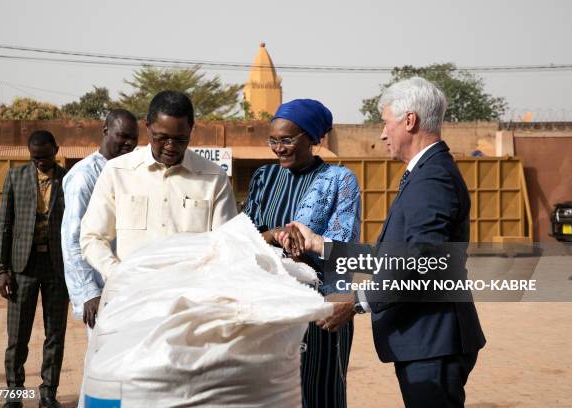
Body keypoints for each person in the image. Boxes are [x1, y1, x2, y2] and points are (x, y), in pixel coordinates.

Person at [282, 78, 486, 408]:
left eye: (385, 122)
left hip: (433, 340)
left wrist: (356, 301)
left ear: (410, 121)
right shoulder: (425, 173)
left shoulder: (432, 178)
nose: (382, 133)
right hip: (427, 341)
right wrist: (322, 245)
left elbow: (419, 263)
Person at [244, 99, 361, 408]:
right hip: (270, 307)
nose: (279, 148)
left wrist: (305, 250)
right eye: (273, 140)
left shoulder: (340, 181)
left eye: (287, 139)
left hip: (320, 308)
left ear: (312, 138)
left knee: (320, 391)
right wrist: (277, 235)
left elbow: (343, 249)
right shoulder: (263, 179)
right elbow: (244, 238)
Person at [80, 90, 237, 283]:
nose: (170, 146)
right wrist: (117, 274)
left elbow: (226, 244)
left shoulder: (214, 178)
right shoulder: (117, 172)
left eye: (180, 139)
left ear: (191, 129)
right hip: (129, 294)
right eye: (161, 138)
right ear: (147, 127)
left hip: (190, 297)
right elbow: (92, 237)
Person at [0, 130, 69, 408]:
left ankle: (48, 394)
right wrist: (2, 269)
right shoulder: (16, 177)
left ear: (56, 150)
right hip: (21, 268)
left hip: (56, 268)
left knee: (55, 335)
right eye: (35, 157)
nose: (40, 162)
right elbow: (4, 225)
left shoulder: (68, 179)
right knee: (17, 337)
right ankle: (14, 395)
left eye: (46, 156)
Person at [62, 109, 139, 333]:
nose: (129, 143)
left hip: (130, 289)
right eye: (122, 136)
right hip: (101, 293)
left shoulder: (131, 171)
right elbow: (73, 240)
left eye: (134, 138)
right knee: (104, 363)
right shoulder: (84, 177)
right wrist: (89, 293)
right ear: (105, 131)